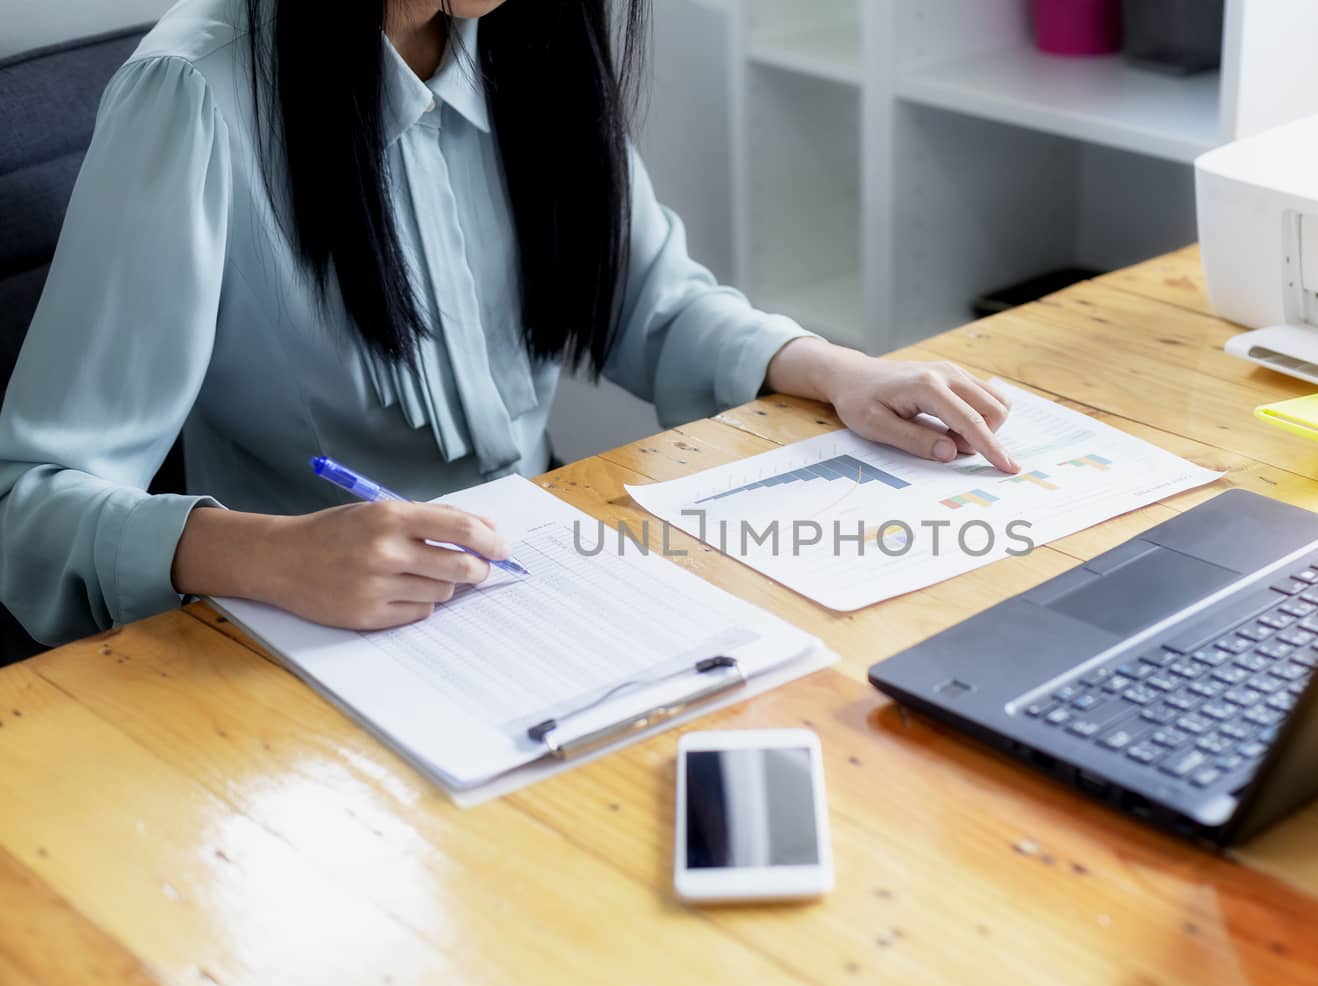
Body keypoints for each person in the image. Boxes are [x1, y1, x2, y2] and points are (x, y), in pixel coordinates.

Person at [0, 0, 1018, 645]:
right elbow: (32, 499)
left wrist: (836, 369)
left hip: (534, 591)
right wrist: (269, 554)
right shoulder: (195, 93)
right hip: (302, 636)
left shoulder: (525, 34)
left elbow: (647, 300)